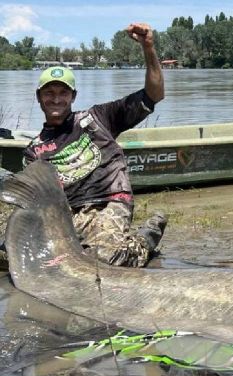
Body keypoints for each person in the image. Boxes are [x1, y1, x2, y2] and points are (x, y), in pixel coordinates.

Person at [23, 22, 166, 267]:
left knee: (106, 259)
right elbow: (39, 202)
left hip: (109, 201)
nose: (56, 99)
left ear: (73, 96)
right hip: (69, 215)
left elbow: (154, 94)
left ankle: (146, 238)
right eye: (49, 93)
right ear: (39, 97)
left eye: (63, 92)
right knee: (25, 258)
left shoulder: (98, 118)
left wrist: (148, 48)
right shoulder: (33, 151)